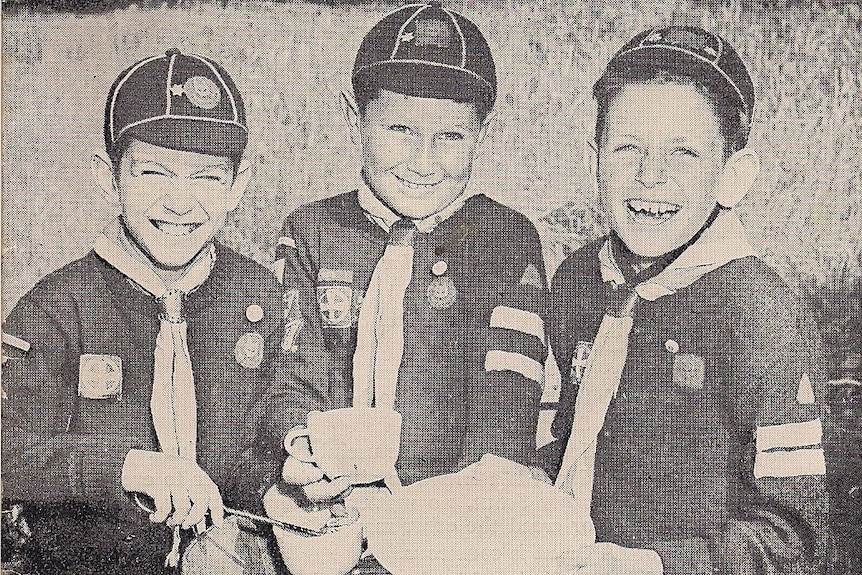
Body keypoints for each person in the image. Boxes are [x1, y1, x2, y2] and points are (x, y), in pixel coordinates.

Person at [260, 2, 549, 571]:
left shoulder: (506, 239)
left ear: (481, 132)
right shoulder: (311, 231)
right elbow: (293, 372)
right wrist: (303, 456)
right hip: (334, 520)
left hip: (454, 529)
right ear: (355, 115)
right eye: (400, 130)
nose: (424, 160)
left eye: (451, 136)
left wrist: (437, 525)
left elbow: (508, 404)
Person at [541, 26, 832, 575]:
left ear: (733, 176)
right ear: (594, 159)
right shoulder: (578, 277)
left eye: (685, 152)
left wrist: (653, 565)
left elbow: (797, 539)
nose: (652, 176)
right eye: (629, 148)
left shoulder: (761, 312)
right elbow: (555, 440)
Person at [1, 50, 287, 573]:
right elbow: (11, 452)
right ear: (109, 177)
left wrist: (281, 487)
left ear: (238, 186)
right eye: (154, 171)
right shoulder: (57, 305)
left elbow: (265, 432)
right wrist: (128, 467)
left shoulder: (258, 294)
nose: (180, 202)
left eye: (205, 177)